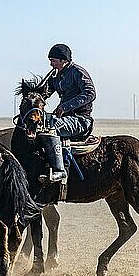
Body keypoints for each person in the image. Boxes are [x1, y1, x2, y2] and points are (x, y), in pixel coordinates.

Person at [40, 43, 96, 182]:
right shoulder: (57, 76)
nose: (51, 64)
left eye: (53, 61)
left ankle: (59, 170)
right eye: (50, 61)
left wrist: (65, 106)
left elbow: (90, 93)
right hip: (66, 118)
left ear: (64, 60)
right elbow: (45, 93)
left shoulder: (77, 72)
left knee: (50, 128)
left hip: (80, 119)